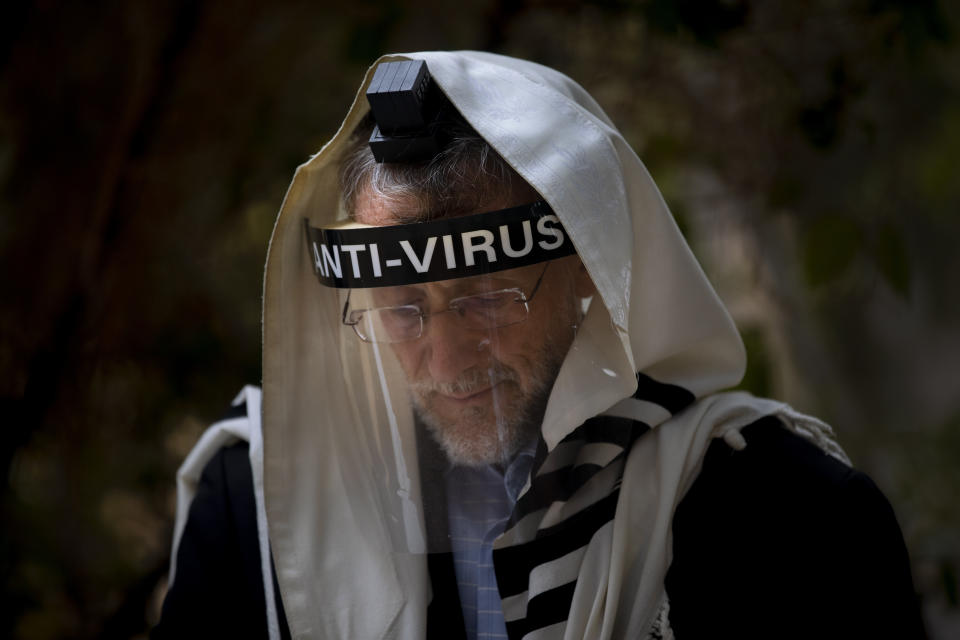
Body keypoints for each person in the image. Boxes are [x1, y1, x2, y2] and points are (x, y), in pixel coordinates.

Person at [154, 52, 925, 639]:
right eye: (401, 312)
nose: (449, 360)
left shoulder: (786, 513)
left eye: (488, 301)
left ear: (588, 263)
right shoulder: (263, 505)